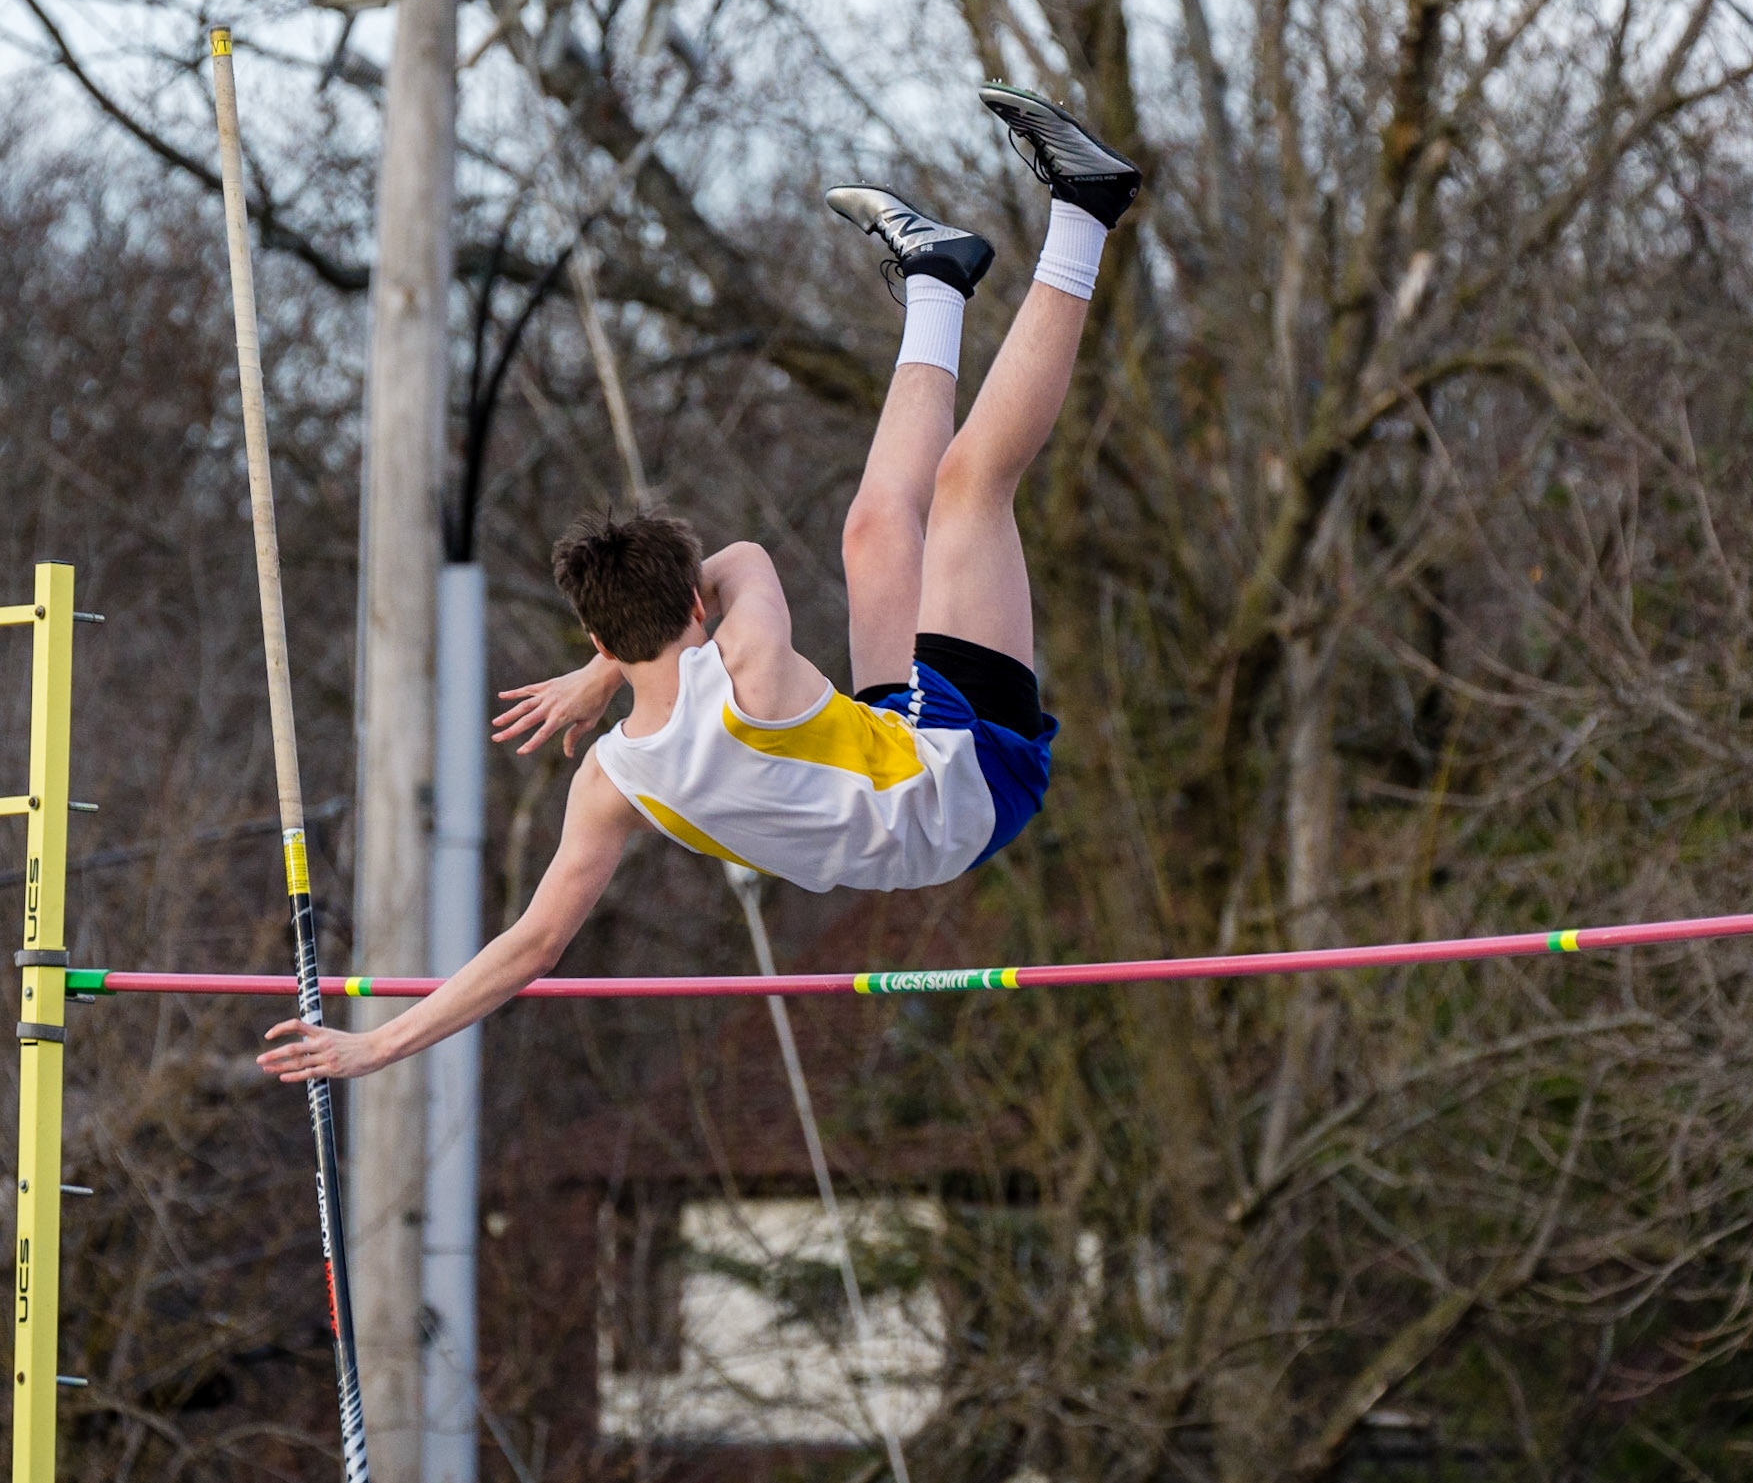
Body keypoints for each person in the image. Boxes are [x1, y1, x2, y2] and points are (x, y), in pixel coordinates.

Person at [259, 84, 1140, 1086]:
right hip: (970, 779)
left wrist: (377, 1044)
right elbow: (742, 559)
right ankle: (1085, 207)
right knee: (970, 486)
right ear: (689, 609)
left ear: (598, 628)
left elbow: (531, 944)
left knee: (873, 529)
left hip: (900, 762)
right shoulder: (747, 659)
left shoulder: (612, 782)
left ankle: (937, 277)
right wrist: (600, 672)